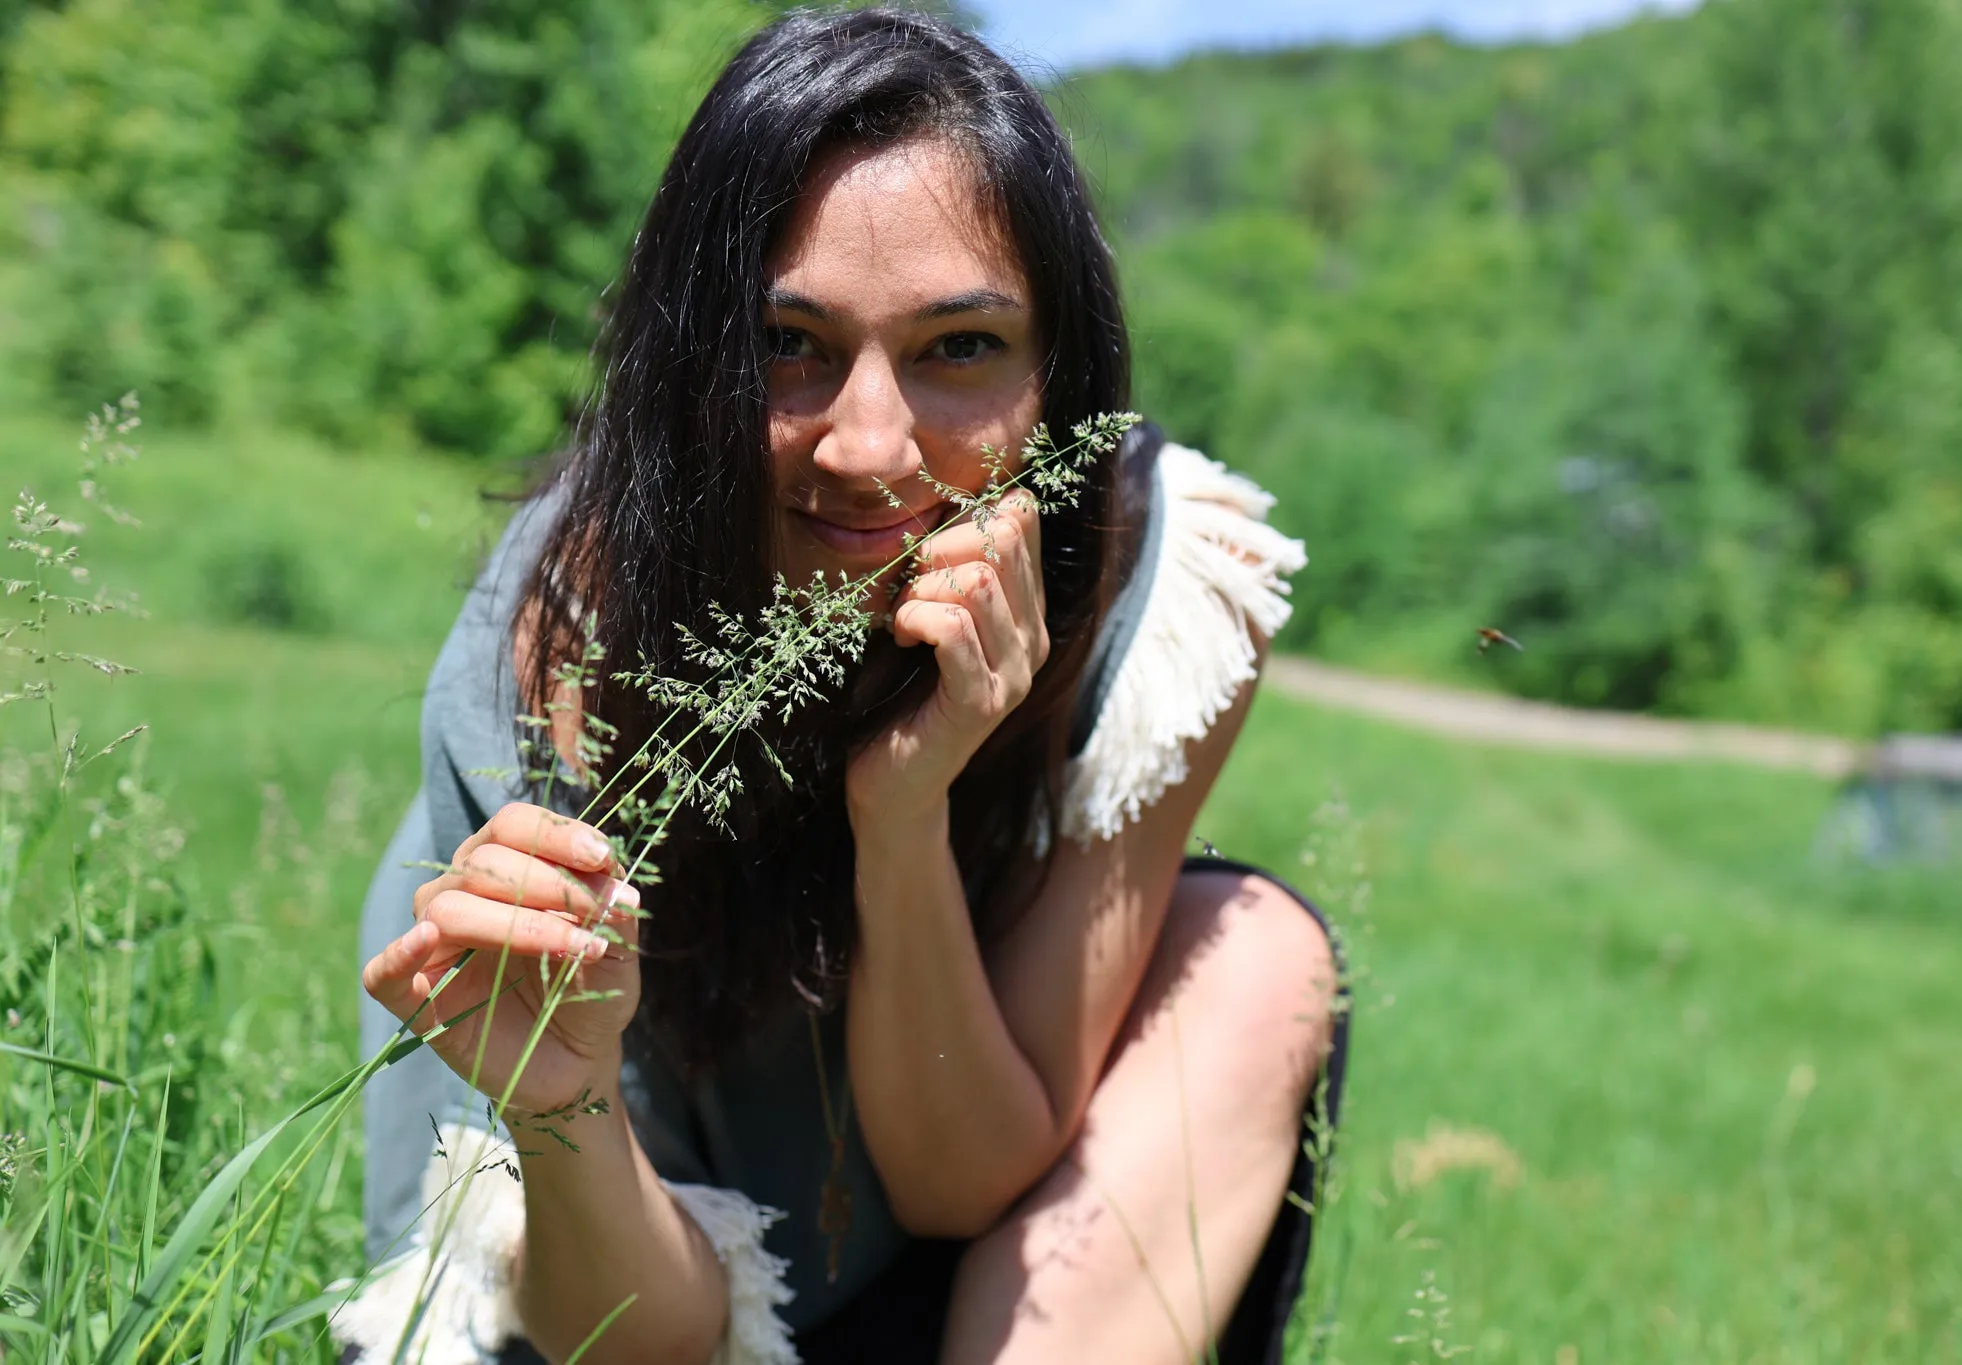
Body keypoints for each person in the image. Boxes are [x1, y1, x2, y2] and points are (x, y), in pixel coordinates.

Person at [339, 9, 1347, 1363]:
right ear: (689, 357)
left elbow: (965, 1180)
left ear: (1058, 374)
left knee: (1258, 958)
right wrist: (563, 1106)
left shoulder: (1153, 581)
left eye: (960, 348)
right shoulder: (569, 647)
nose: (869, 445)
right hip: (599, 1293)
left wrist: (906, 810)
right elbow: (634, 1328)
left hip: (949, 1271)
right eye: (787, 341)